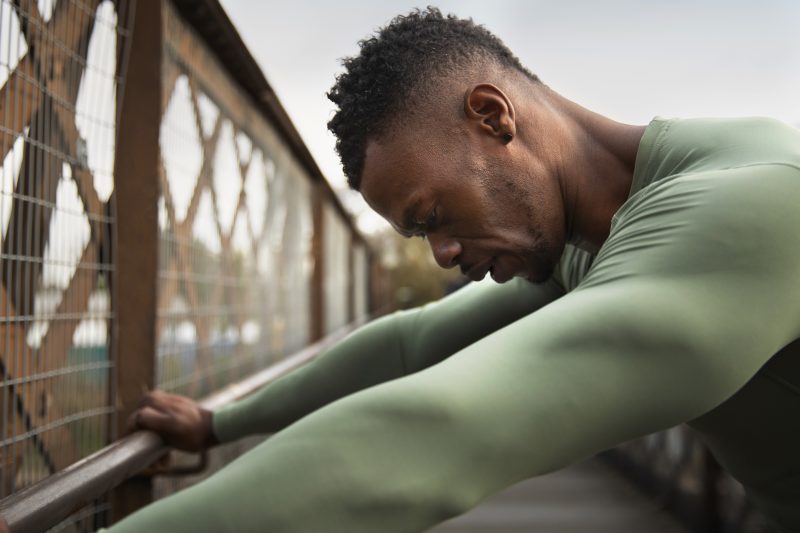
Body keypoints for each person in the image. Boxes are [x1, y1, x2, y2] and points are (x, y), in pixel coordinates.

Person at [108, 8, 800, 532]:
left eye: (432, 215)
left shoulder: (753, 204)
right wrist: (221, 421)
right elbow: (410, 345)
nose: (439, 255)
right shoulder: (590, 236)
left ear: (493, 117)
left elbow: (435, 434)